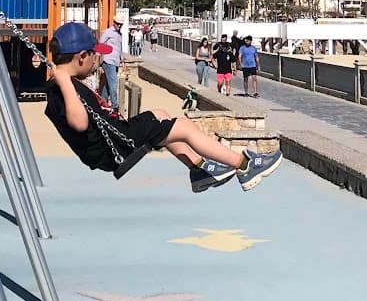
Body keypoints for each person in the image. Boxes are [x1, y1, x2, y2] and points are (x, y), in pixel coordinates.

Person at [44, 22, 282, 192]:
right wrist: (64, 79)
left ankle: (199, 169)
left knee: (161, 116)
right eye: (95, 56)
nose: (98, 60)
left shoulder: (61, 84)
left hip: (117, 136)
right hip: (116, 145)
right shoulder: (64, 85)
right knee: (184, 127)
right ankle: (245, 165)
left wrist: (63, 77)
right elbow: (79, 122)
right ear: (82, 56)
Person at [97, 20, 125, 105]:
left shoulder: (120, 34)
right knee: (113, 83)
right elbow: (100, 44)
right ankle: (115, 105)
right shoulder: (108, 32)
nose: (119, 26)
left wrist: (122, 60)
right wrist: (97, 58)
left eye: (121, 24)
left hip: (116, 61)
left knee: (109, 84)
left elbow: (119, 48)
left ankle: (103, 102)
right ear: (114, 23)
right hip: (108, 60)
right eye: (118, 24)